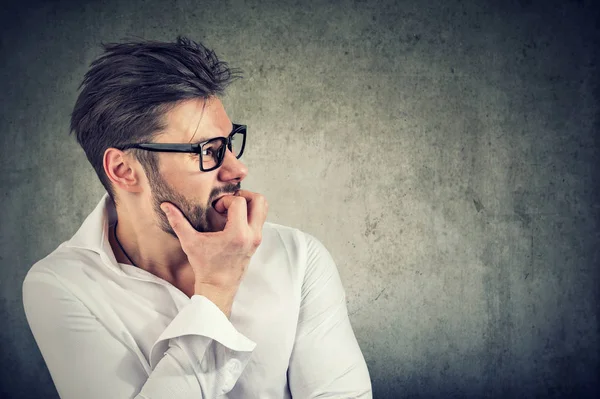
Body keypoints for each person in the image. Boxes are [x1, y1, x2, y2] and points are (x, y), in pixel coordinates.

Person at [22, 36, 372, 398]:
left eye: (228, 143)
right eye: (208, 151)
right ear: (124, 169)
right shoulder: (61, 286)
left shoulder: (298, 258)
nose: (237, 169)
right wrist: (216, 291)